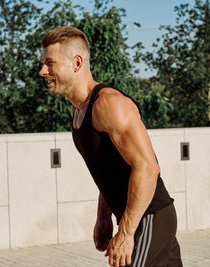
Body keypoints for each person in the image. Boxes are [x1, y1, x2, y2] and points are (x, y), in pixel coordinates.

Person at [39, 26, 183, 267]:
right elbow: (109, 168)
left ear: (76, 63)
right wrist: (103, 215)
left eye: (50, 63)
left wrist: (126, 234)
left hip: (149, 218)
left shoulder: (109, 105)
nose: (43, 71)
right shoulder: (78, 111)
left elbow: (148, 169)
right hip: (140, 218)